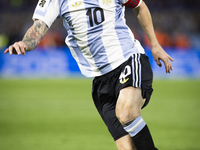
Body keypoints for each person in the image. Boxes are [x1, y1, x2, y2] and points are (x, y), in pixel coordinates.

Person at [4, 0, 174, 149]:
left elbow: (139, 6)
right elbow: (37, 29)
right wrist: (24, 44)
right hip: (101, 79)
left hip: (128, 59)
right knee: (126, 148)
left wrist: (155, 45)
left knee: (126, 112)